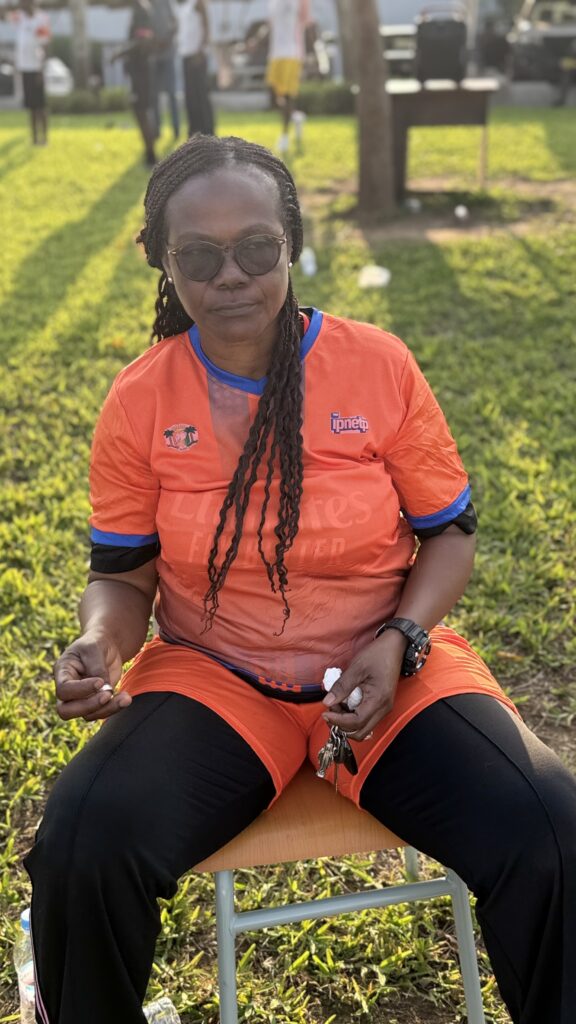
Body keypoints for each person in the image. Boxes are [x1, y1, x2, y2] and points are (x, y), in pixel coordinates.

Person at [24, 135, 576, 1024]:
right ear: (163, 262)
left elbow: (450, 534)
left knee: (550, 826)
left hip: (388, 666)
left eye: (256, 247)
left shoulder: (377, 364)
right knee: (84, 842)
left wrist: (399, 639)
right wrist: (99, 640)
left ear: (292, 242)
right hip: (216, 678)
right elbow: (122, 578)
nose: (231, 276)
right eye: (199, 256)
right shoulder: (139, 398)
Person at [112, 0, 158, 166]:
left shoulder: (142, 10)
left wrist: (120, 53)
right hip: (138, 70)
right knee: (139, 112)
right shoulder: (137, 9)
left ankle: (151, 154)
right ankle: (148, 152)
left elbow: (143, 40)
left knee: (142, 111)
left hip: (142, 71)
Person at [265, 0, 311, 154]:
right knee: (273, 95)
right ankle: (295, 116)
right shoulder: (272, 3)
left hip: (291, 53)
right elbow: (270, 25)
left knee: (287, 96)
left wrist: (310, 54)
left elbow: (305, 23)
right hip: (275, 53)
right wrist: (255, 41)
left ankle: (284, 136)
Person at [11, 0, 51, 146]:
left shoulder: (41, 19)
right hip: (24, 67)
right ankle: (34, 138)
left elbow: (45, 44)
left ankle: (44, 138)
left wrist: (41, 67)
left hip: (36, 68)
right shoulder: (20, 18)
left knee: (41, 105)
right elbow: (4, 14)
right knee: (31, 106)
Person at [175, 0, 214, 137]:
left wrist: (201, 50)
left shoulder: (198, 2)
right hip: (186, 54)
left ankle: (208, 131)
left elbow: (206, 27)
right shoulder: (183, 5)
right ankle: (194, 131)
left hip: (197, 55)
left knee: (201, 95)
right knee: (190, 97)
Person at [149, 0, 180, 142]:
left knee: (171, 94)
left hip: (168, 54)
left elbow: (175, 24)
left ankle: (176, 130)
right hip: (153, 55)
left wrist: (166, 40)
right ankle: (156, 130)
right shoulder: (147, 4)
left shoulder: (167, 3)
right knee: (153, 96)